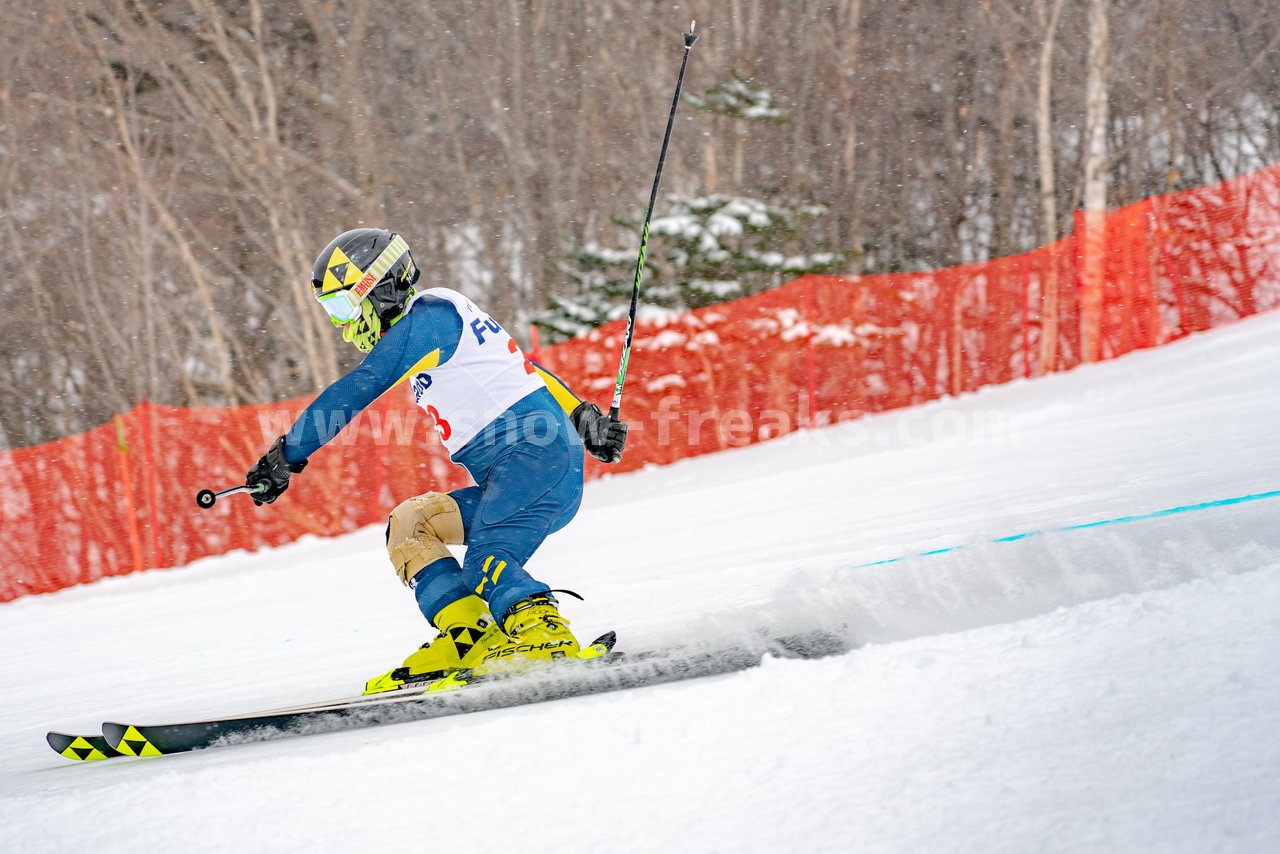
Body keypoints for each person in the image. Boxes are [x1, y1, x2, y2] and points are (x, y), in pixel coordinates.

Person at [244, 227, 628, 694]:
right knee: (411, 525)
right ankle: (470, 636)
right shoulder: (437, 320)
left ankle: (545, 634)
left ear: (378, 289)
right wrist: (580, 413)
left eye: (343, 307)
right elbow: (526, 369)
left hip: (536, 461)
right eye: (331, 312)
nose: (341, 325)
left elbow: (358, 388)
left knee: (489, 560)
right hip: (516, 473)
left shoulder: (429, 320)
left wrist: (288, 454)